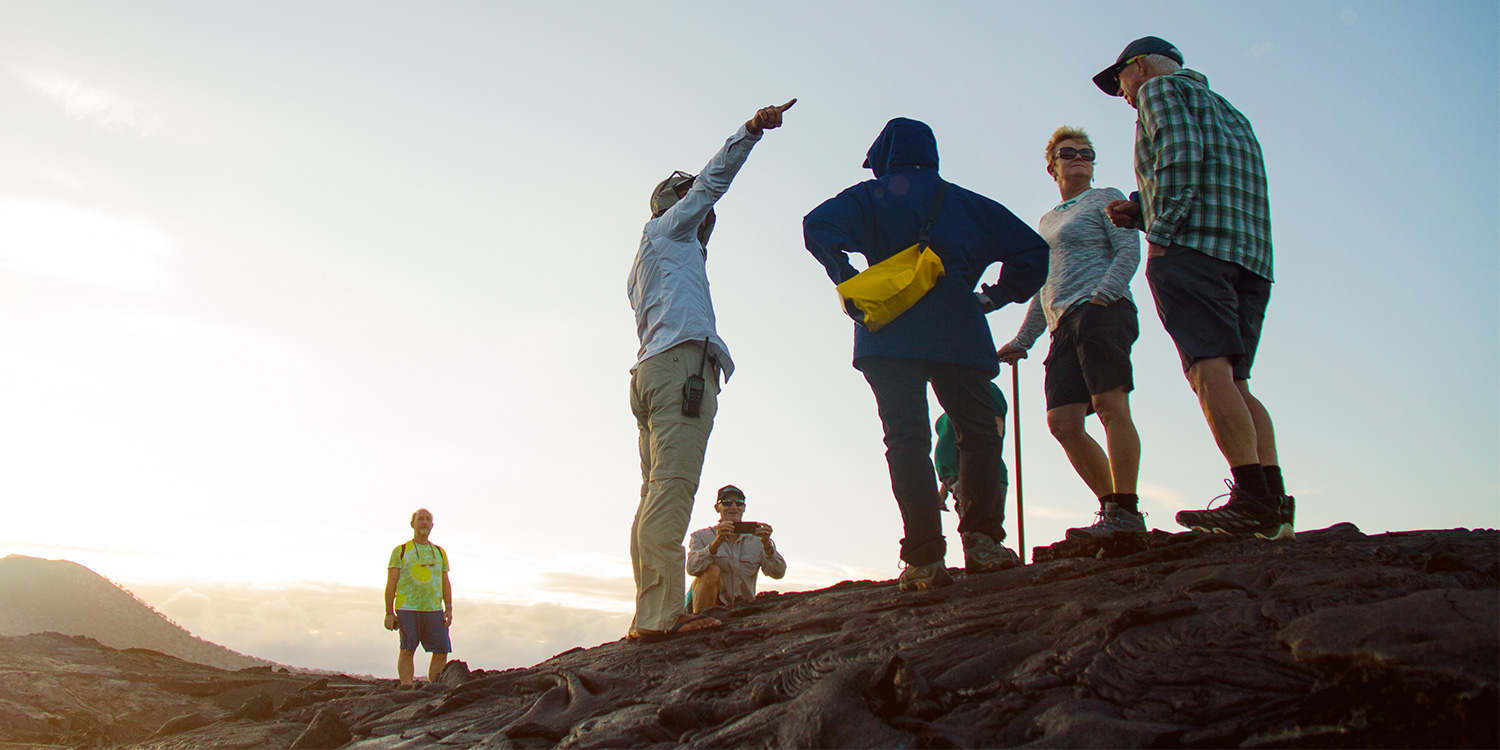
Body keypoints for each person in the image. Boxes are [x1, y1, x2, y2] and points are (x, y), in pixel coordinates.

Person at [803, 117, 1049, 592]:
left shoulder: (869, 197)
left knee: (906, 439)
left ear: (884, 156)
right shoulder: (968, 203)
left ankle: (923, 560)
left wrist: (846, 275)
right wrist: (994, 297)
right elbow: (1033, 252)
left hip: (887, 334)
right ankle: (982, 542)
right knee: (977, 434)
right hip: (959, 330)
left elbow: (816, 225)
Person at [1094, 36, 1293, 540]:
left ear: (1138, 67)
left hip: (1192, 254)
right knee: (1237, 379)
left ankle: (1248, 500)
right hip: (1250, 258)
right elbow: (1212, 175)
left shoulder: (1158, 93)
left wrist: (1159, 233)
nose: (1122, 96)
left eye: (1119, 82)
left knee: (1208, 371)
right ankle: (1273, 504)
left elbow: (1180, 160)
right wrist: (1143, 207)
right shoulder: (1229, 110)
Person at [626, 100, 795, 641]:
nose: (703, 219)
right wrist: (749, 132)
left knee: (654, 493)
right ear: (671, 206)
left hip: (652, 372)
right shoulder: (667, 232)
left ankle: (650, 610)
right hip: (681, 370)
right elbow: (711, 185)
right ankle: (659, 617)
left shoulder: (649, 262)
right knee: (673, 489)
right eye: (690, 204)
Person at [997, 126, 1145, 540]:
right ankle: (1113, 509)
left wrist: (1103, 298)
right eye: (1069, 153)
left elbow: (1129, 250)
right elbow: (1045, 285)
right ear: (1052, 166)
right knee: (1062, 422)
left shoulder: (1106, 197)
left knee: (1110, 405)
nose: (1079, 158)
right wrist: (1023, 340)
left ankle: (1127, 511)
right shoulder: (1047, 221)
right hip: (1062, 323)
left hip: (1103, 311)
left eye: (1087, 153)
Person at [686, 485, 786, 613]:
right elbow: (692, 567)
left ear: (744, 508)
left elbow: (778, 572)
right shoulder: (700, 536)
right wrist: (716, 543)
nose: (733, 507)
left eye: (739, 503)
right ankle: (700, 622)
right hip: (706, 606)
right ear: (717, 508)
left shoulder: (757, 540)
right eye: (727, 503)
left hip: (741, 608)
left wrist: (767, 545)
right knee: (711, 571)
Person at [383, 508, 452, 687]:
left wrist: (449, 608)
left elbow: (445, 582)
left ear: (432, 525)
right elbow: (391, 584)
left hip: (434, 610)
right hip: (408, 608)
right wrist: (389, 613)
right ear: (412, 524)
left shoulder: (439, 552)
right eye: (420, 519)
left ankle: (433, 686)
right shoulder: (401, 551)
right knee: (407, 650)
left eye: (428, 519)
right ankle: (407, 687)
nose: (424, 522)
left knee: (441, 650)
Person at [934, 382, 1009, 516]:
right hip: (954, 477)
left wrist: (986, 471)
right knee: (969, 529)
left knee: (980, 527)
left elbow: (997, 429)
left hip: (978, 474)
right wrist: (943, 491)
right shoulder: (956, 400)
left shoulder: (988, 389)